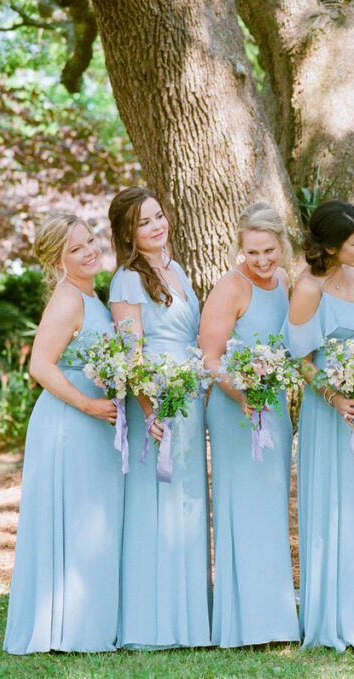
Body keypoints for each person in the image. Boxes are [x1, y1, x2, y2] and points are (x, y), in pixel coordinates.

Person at [3, 215, 123, 654]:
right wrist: (89, 404)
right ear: (57, 261)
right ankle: (63, 629)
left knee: (91, 521)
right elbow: (40, 365)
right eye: (76, 248)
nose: (90, 250)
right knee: (72, 517)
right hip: (69, 422)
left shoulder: (95, 296)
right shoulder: (68, 299)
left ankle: (86, 621)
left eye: (90, 240)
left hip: (96, 422)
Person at [287, 200, 354, 650]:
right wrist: (333, 396)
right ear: (330, 246)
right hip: (329, 407)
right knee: (335, 503)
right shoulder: (309, 287)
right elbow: (299, 358)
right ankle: (334, 614)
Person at [108, 187, 212, 649]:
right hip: (158, 402)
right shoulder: (127, 280)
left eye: (158, 216)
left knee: (186, 501)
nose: (156, 226)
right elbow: (131, 355)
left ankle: (190, 618)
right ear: (128, 234)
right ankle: (154, 623)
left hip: (188, 397)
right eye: (144, 223)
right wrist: (152, 410)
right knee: (157, 503)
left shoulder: (176, 270)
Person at [199, 203, 299, 647]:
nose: (262, 262)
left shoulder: (285, 284)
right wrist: (244, 395)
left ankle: (274, 617)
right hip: (234, 408)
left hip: (272, 406)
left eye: (270, 251)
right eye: (253, 252)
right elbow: (210, 359)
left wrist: (266, 395)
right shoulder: (229, 289)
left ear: (282, 245)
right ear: (240, 249)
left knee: (272, 505)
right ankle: (243, 621)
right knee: (243, 505)